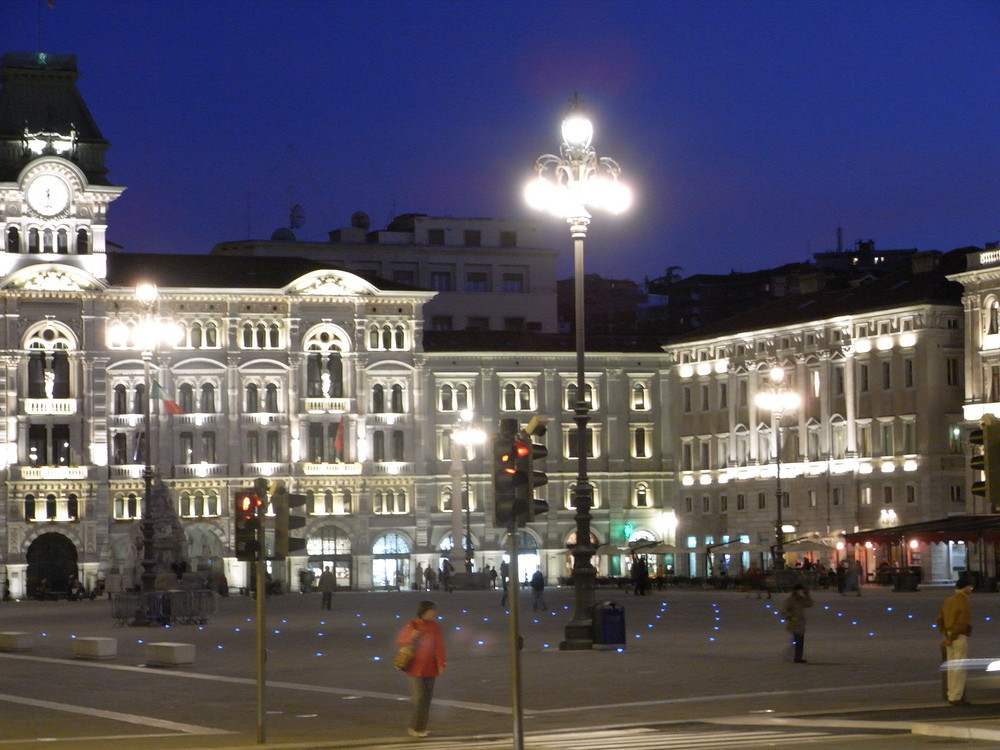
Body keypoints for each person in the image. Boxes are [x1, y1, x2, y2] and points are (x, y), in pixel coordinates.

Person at [396, 600, 446, 738]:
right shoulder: (412, 624)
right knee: (420, 699)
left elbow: (439, 646)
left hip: (430, 667)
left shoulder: (435, 626)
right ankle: (415, 727)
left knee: (426, 699)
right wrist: (410, 637)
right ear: (424, 611)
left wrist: (441, 664)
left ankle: (420, 728)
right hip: (415, 667)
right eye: (432, 610)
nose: (434, 612)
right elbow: (400, 640)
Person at [937, 576, 974, 706]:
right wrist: (951, 637)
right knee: (959, 668)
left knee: (951, 667)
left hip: (948, 635)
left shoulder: (948, 601)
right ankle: (956, 696)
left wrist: (945, 636)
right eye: (970, 587)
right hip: (958, 636)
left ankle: (950, 694)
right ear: (965, 588)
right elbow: (962, 624)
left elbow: (940, 620)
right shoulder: (963, 602)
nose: (971, 589)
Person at [779, 583, 812, 663]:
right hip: (793, 623)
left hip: (800, 622)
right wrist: (790, 617)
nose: (802, 592)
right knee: (798, 640)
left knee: (798, 641)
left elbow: (809, 604)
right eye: (801, 590)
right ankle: (795, 657)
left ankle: (795, 656)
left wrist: (806, 595)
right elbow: (783, 611)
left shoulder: (802, 599)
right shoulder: (790, 600)